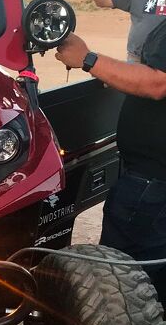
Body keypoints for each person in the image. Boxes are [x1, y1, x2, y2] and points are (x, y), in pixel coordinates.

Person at [54, 22, 166, 304]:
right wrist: (115, 73)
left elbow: (157, 83)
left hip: (151, 182)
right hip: (153, 179)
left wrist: (88, 59)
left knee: (123, 282)